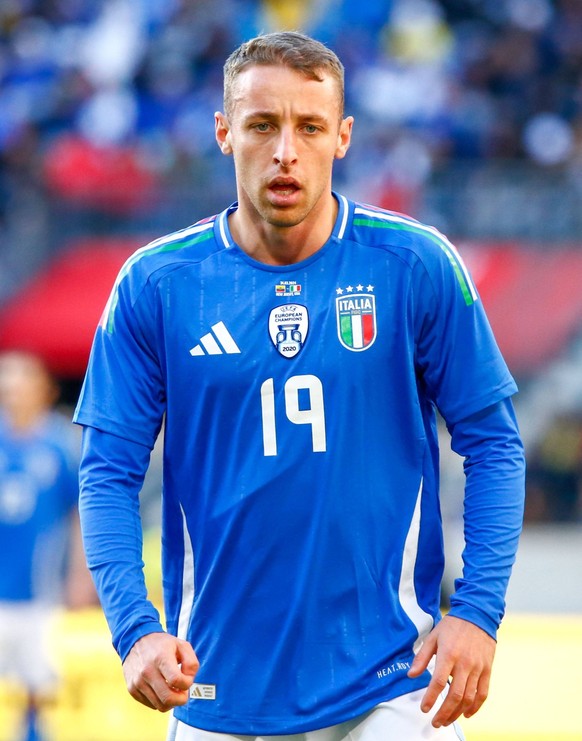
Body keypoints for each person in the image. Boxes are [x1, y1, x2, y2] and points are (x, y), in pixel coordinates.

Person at [74, 31, 525, 741]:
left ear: (342, 137)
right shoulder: (155, 284)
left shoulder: (414, 264)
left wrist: (477, 611)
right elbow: (107, 473)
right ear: (224, 133)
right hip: (217, 690)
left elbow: (495, 444)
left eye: (309, 127)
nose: (286, 150)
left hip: (390, 684)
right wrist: (135, 630)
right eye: (262, 125)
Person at [0, 350, 93, 741]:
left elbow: (79, 514)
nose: (13, 390)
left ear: (44, 389)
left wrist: (81, 574)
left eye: (21, 381)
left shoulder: (60, 446)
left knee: (39, 685)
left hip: (41, 591)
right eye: (7, 382)